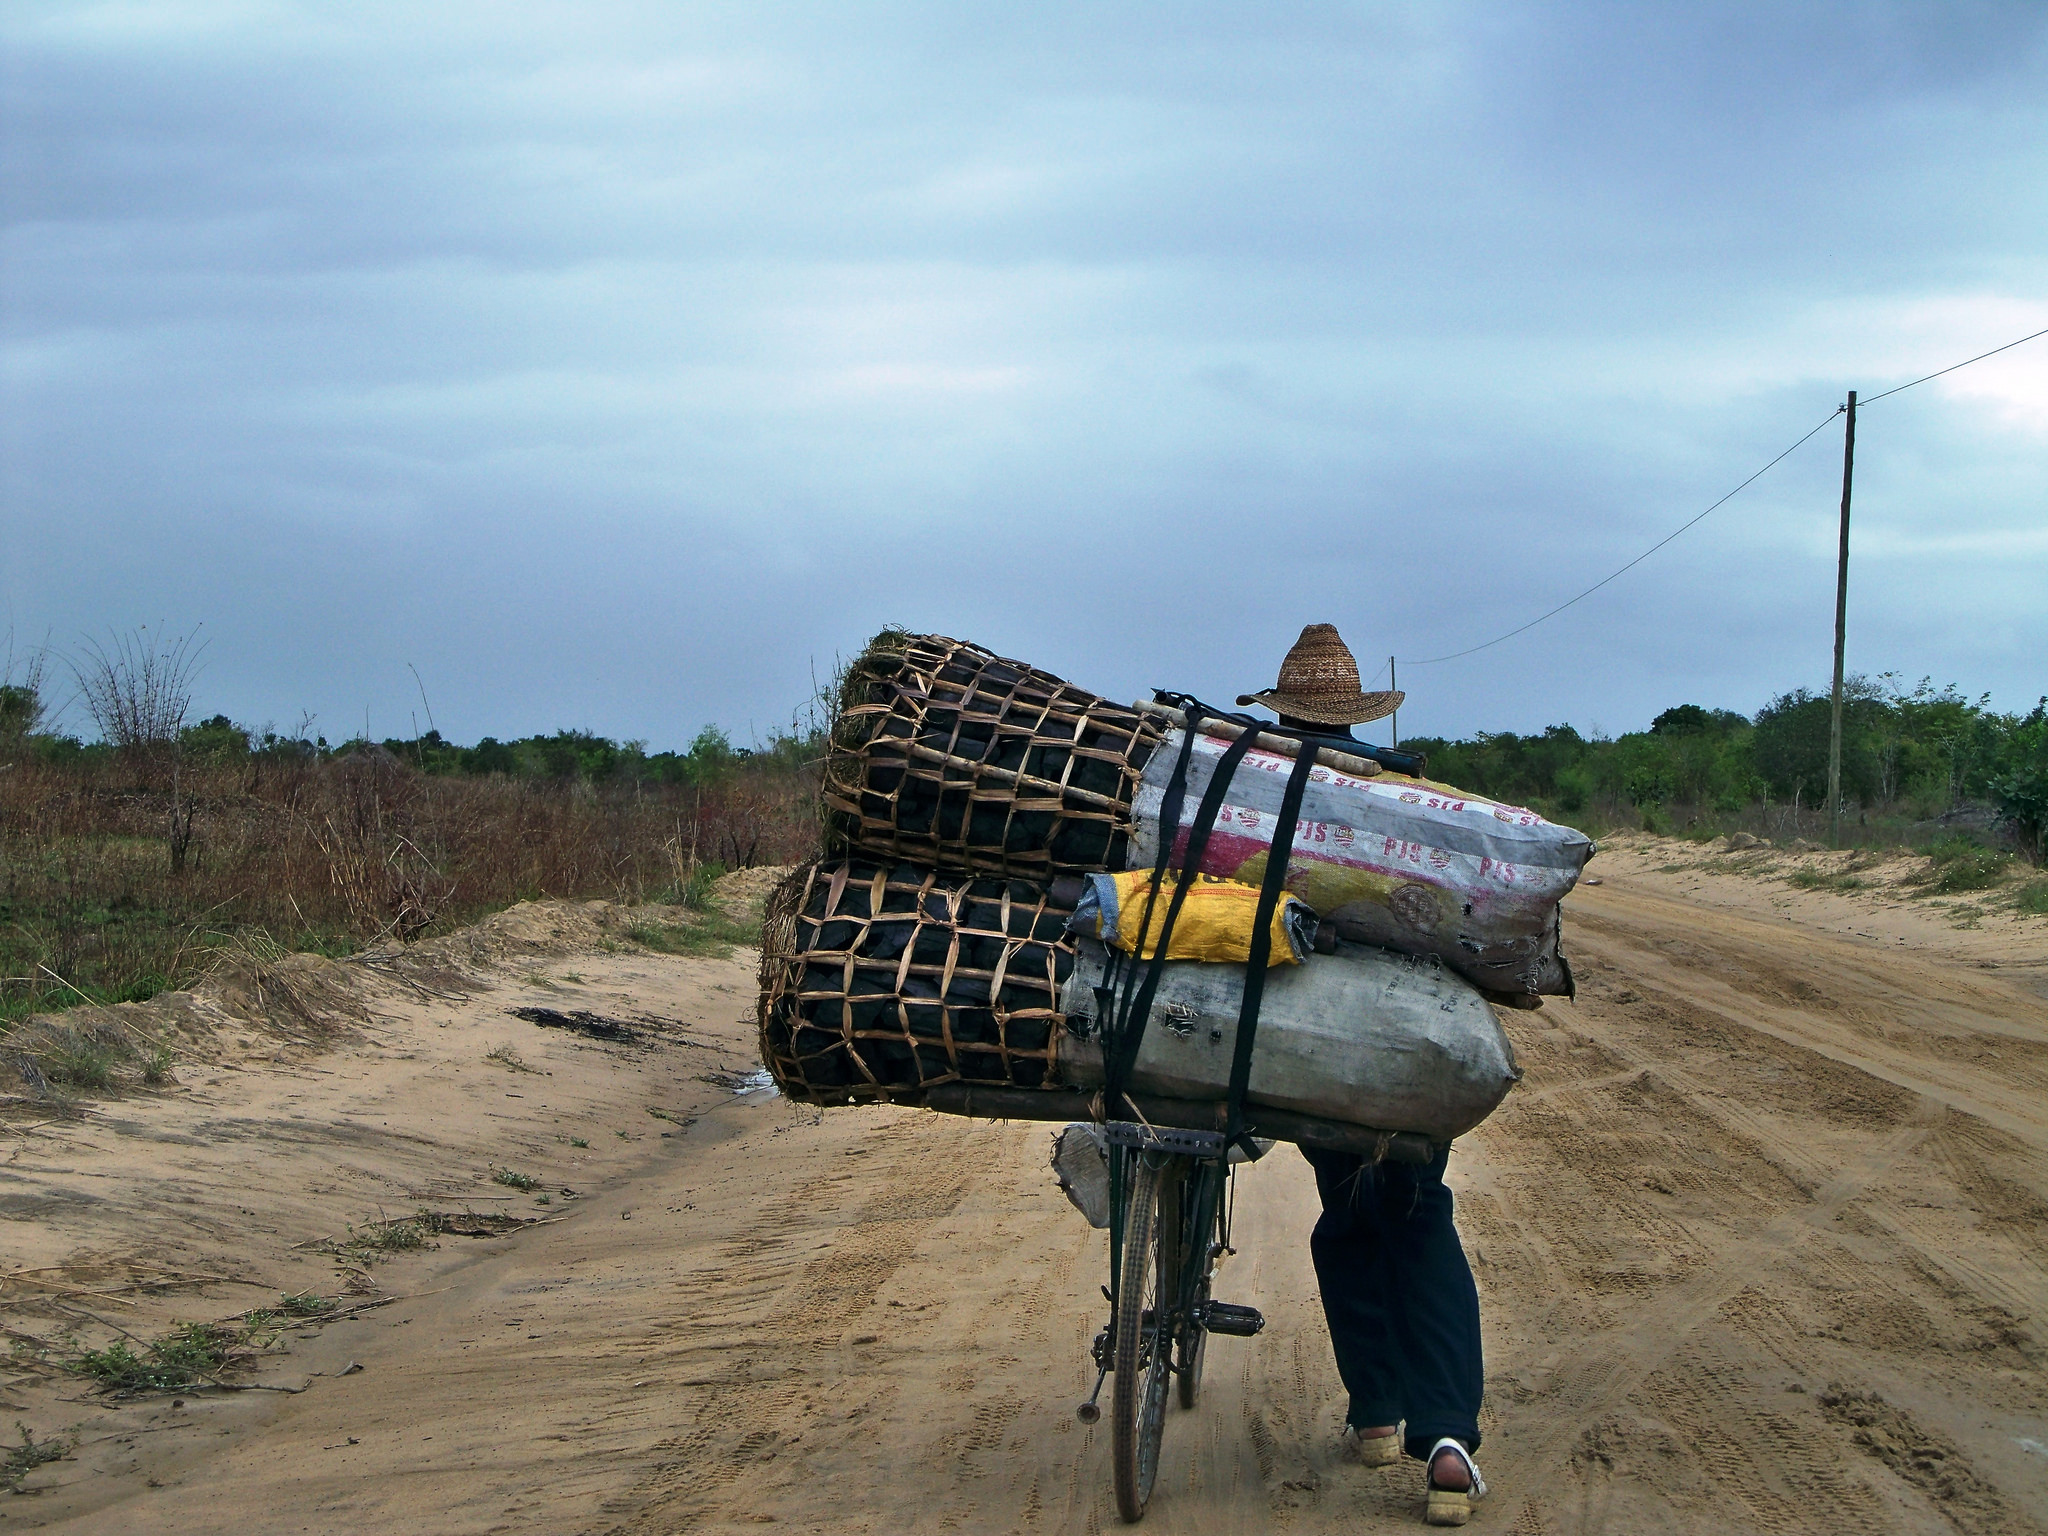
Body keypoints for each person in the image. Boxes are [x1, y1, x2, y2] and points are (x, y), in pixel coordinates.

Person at [1236, 623, 1490, 1528]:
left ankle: (1377, 1414)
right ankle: (1450, 1440)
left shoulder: (1257, 794)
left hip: (1314, 1041)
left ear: (1287, 712)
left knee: (1345, 1213)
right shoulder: (1409, 794)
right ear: (1358, 716)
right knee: (1419, 1214)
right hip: (1404, 1046)